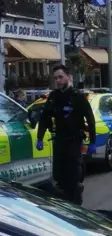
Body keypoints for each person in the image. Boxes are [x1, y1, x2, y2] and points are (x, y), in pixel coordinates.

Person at [35, 64, 96, 205]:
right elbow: (45, 117)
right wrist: (39, 137)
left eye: (60, 77)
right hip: (59, 141)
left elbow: (90, 119)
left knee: (73, 177)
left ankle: (76, 205)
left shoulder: (78, 97)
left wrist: (93, 141)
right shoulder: (53, 97)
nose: (58, 80)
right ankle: (64, 206)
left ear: (69, 77)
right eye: (55, 78)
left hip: (74, 142)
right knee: (58, 176)